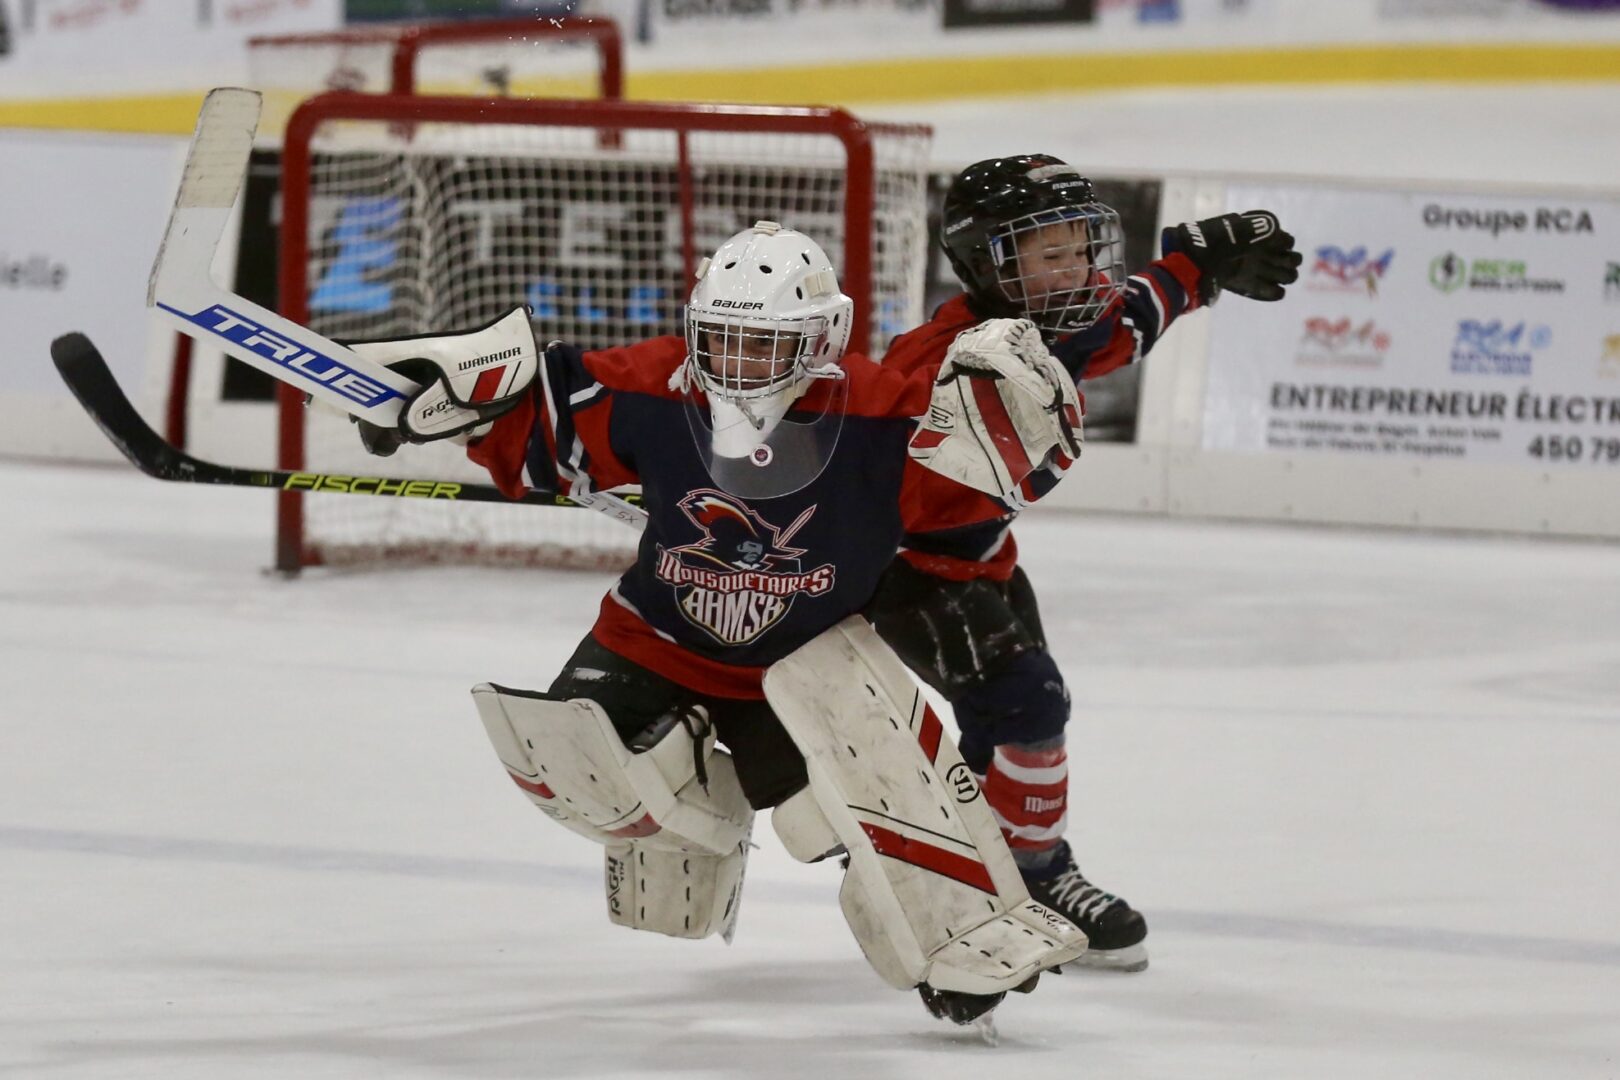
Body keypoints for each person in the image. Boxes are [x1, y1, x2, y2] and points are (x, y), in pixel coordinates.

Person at [349, 220, 1092, 1027]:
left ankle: (947, 943)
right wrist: (453, 406)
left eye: (763, 343)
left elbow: (990, 486)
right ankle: (702, 791)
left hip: (801, 668)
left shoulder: (886, 416)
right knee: (572, 764)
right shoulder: (660, 387)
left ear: (822, 339)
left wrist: (1021, 418)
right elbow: (549, 427)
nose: (736, 364)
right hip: (653, 641)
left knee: (850, 819)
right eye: (722, 338)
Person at [869, 154, 1303, 973]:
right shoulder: (936, 363)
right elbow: (858, 453)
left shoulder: (1047, 330)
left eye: (1080, 250)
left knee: (1002, 728)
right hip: (906, 575)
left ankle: (974, 862)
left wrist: (1194, 266)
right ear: (983, 262)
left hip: (983, 562)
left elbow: (1126, 322)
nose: (1077, 271)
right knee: (1031, 704)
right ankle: (1031, 877)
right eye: (1050, 255)